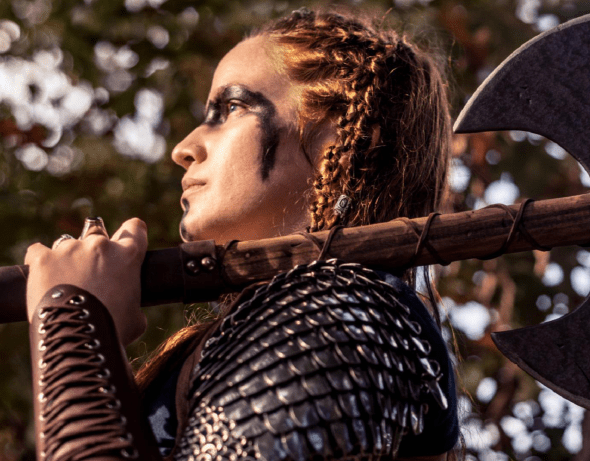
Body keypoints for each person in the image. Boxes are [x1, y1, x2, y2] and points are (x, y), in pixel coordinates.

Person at [24, 8, 458, 461]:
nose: (184, 149)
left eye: (231, 108)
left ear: (337, 136)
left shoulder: (346, 310)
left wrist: (73, 321)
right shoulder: (281, 321)